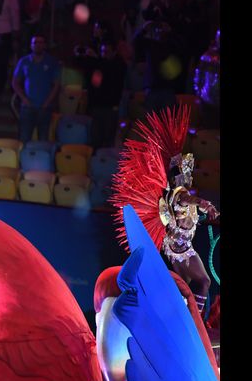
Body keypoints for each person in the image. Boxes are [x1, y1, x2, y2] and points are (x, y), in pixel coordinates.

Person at [109, 104, 219, 315]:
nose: (189, 177)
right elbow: (190, 199)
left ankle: (181, 317)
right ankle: (196, 322)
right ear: (180, 176)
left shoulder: (174, 193)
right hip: (181, 250)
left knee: (185, 290)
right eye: (187, 174)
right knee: (204, 282)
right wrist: (206, 204)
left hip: (175, 248)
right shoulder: (179, 194)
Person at [76, 42, 127, 149]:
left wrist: (97, 59)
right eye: (102, 52)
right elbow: (92, 81)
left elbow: (110, 77)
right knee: (95, 139)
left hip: (110, 108)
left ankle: (108, 163)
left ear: (114, 52)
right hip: (96, 107)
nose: (104, 54)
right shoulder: (96, 65)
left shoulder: (118, 65)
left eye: (107, 51)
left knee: (108, 140)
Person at [12, 35, 60, 142]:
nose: (38, 45)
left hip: (45, 107)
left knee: (43, 139)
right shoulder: (24, 61)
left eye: (41, 42)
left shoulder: (52, 62)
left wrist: (47, 102)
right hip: (28, 107)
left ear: (45, 45)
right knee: (24, 139)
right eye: (35, 42)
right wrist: (24, 99)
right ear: (31, 45)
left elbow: (56, 84)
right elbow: (15, 82)